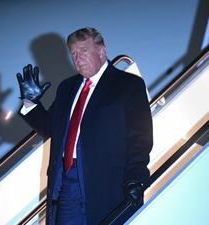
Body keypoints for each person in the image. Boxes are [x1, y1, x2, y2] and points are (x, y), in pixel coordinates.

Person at [16, 27, 153, 225]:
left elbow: (140, 137)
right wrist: (30, 102)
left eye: (84, 51)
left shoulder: (128, 85)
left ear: (102, 51)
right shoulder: (67, 87)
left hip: (107, 183)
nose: (78, 58)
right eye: (74, 53)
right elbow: (50, 128)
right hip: (67, 183)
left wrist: (136, 177)